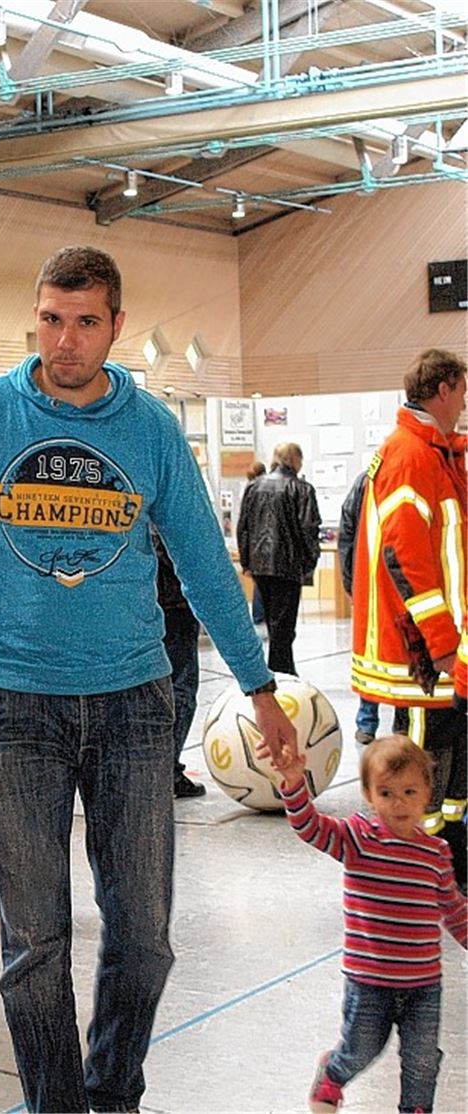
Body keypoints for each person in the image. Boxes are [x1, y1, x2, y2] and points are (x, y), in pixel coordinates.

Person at [0, 245, 296, 1112]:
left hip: (135, 707)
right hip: (13, 707)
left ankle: (113, 1092)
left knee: (143, 936)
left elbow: (205, 567)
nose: (63, 340)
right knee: (34, 943)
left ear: (115, 327)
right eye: (48, 319)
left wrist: (262, 690)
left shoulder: (148, 430)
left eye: (83, 322)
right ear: (33, 319)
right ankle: (56, 1104)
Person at [259, 733, 466, 1113]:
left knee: (422, 1061)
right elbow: (310, 828)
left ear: (426, 793)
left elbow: (452, 908)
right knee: (361, 1049)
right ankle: (333, 1072)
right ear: (369, 796)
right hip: (369, 982)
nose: (399, 803)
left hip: (423, 984)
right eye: (386, 793)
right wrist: (293, 783)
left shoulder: (435, 853)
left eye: (409, 791)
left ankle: (416, 1108)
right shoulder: (358, 839)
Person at [350, 348, 467, 891]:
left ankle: (448, 860)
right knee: (420, 767)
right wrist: (440, 644)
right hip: (419, 656)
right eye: (461, 392)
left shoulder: (433, 454)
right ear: (443, 389)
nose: (463, 403)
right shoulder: (411, 455)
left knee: (452, 762)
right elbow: (407, 559)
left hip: (441, 651)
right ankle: (411, 866)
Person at [236, 442, 322, 675]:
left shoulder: (253, 487)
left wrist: (246, 561)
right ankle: (280, 671)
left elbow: (243, 526)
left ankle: (279, 668)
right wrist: (310, 561)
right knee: (284, 623)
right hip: (288, 564)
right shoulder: (301, 489)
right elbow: (309, 528)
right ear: (295, 461)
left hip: (259, 564)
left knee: (272, 621)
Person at [152, 527, 205, 799]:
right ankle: (168, 770)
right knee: (182, 688)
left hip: (150, 606)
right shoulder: (165, 510)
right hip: (176, 605)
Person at [338, 470, 381, 745]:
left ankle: (367, 722)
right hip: (375, 583)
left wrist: (350, 580)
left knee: (372, 650)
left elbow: (346, 532)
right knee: (373, 652)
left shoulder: (366, 480)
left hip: (371, 582)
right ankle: (369, 720)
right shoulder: (368, 481)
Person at [244, 460, 267, 625]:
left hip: (255, 548)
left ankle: (258, 618)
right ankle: (263, 618)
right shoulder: (267, 490)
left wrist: (245, 561)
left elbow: (243, 527)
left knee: (259, 586)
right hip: (270, 548)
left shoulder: (249, 491)